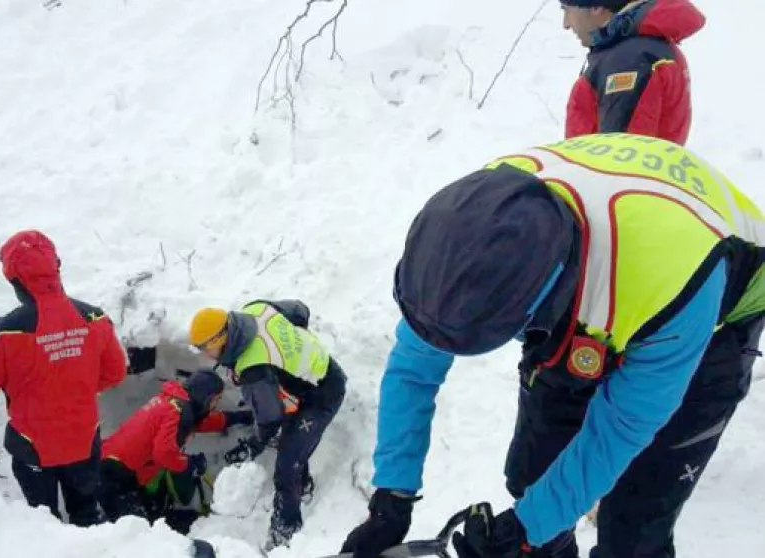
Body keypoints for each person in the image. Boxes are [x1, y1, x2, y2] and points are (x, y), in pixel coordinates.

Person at [340, 133, 765, 558]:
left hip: (714, 308)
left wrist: (526, 528)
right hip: (607, 258)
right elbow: (414, 369)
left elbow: (620, 429)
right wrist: (391, 498)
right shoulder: (467, 236)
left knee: (634, 521)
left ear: (540, 302)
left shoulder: (670, 282)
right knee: (534, 474)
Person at [0, 230, 126, 527]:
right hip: (84, 439)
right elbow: (115, 372)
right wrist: (79, 384)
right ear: (56, 267)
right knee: (87, 515)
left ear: (14, 280)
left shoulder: (7, 331)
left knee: (41, 523)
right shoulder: (94, 318)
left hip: (32, 446)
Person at [189, 300, 347, 550]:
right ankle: (302, 486)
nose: (203, 354)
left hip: (322, 394)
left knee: (286, 464)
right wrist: (296, 351)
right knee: (291, 440)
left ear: (219, 340)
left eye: (203, 348)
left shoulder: (254, 370)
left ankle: (286, 531)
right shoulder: (256, 310)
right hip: (321, 368)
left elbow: (270, 418)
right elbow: (300, 310)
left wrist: (255, 444)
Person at [98, 369, 254, 533]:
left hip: (118, 468)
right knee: (137, 535)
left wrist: (241, 418)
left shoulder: (175, 403)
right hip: (114, 475)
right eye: (215, 400)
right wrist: (189, 464)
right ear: (204, 397)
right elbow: (163, 453)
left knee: (148, 522)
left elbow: (203, 422)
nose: (216, 405)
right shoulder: (178, 411)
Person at [561, 0, 705, 144]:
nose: (565, 24)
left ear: (596, 7)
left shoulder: (628, 61)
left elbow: (620, 154)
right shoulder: (641, 50)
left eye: (566, 10)